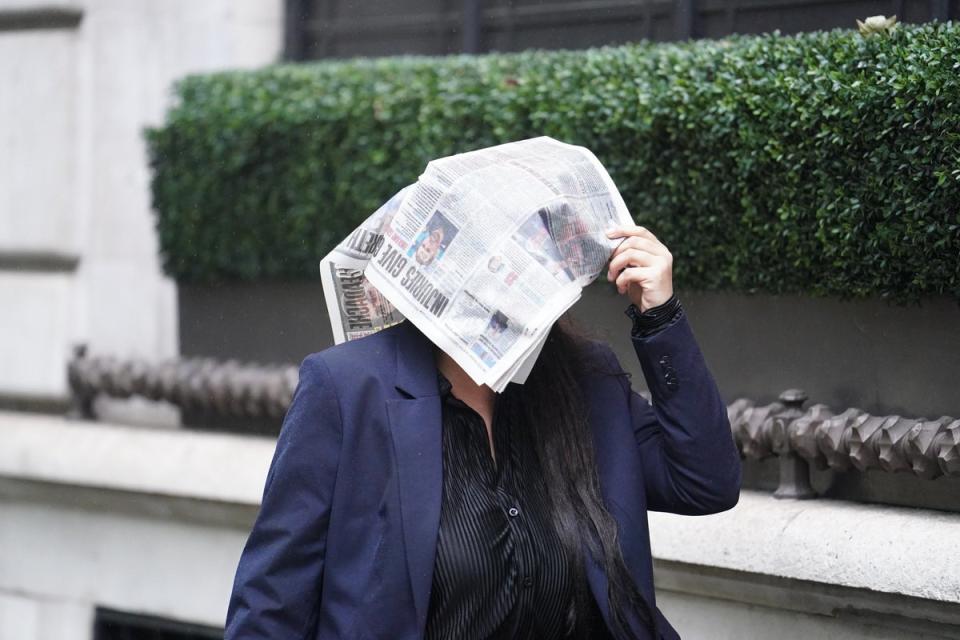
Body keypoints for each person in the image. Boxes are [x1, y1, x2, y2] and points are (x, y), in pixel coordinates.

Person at [224, 224, 742, 639]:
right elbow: (275, 597)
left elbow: (704, 482)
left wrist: (661, 318)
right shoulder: (346, 388)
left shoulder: (585, 379)